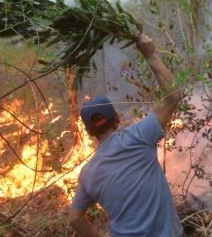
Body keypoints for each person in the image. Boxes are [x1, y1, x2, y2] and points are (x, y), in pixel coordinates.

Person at [68, 33, 183, 237]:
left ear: (88, 132)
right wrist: (150, 54)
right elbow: (173, 96)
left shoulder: (88, 173)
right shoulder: (138, 136)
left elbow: (75, 218)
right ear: (118, 118)